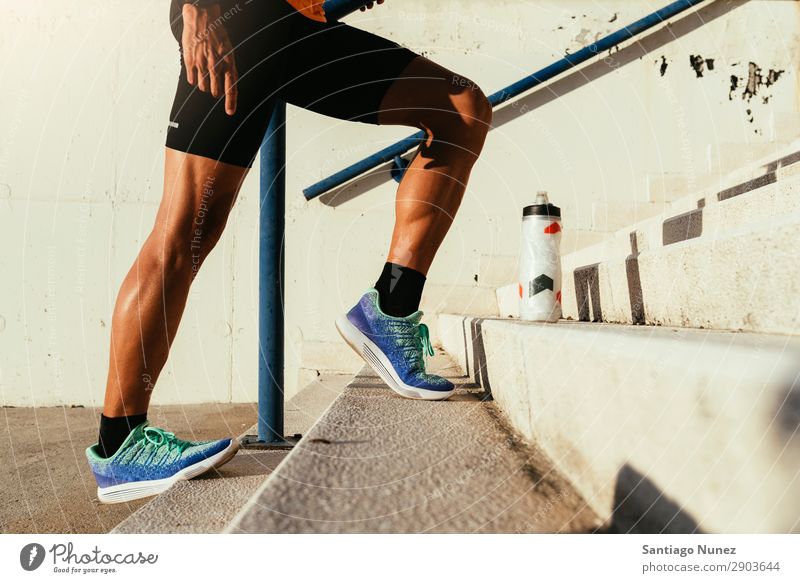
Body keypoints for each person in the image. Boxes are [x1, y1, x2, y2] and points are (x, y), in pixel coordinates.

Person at [85, 0, 492, 503]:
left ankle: (391, 307)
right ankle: (119, 440)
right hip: (236, 24)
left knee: (462, 109)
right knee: (183, 233)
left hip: (293, 31)